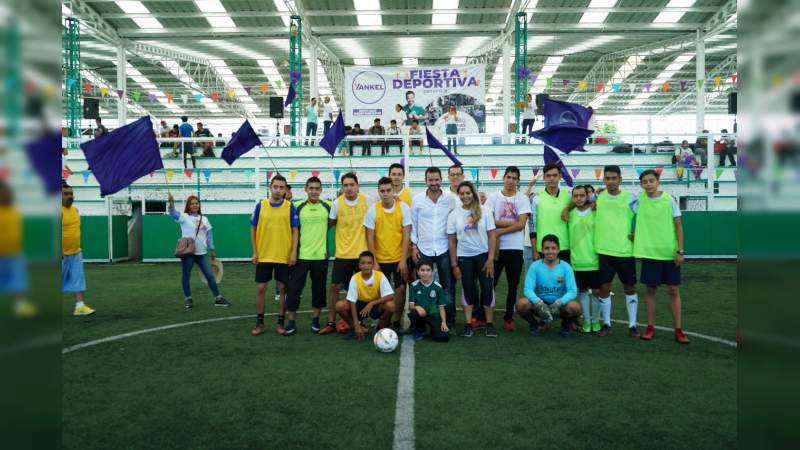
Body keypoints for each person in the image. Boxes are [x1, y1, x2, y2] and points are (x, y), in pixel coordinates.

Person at [634, 169, 689, 344]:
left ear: (658, 182)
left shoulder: (669, 200)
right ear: (641, 185)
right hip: (650, 254)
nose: (648, 184)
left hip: (669, 253)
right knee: (650, 290)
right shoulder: (638, 200)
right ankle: (650, 327)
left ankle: (678, 330)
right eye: (645, 182)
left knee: (673, 290)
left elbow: (679, 226)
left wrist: (680, 251)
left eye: (651, 180)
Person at [318, 172, 371, 335]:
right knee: (335, 287)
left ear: (357, 186)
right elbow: (329, 225)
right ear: (342, 188)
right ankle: (331, 322)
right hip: (343, 254)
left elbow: (385, 201)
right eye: (345, 185)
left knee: (369, 288)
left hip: (362, 254)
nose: (349, 188)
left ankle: (371, 320)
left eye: (351, 185)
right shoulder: (337, 203)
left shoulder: (367, 200)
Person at [590, 165, 640, 337]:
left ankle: (633, 325)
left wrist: (636, 232)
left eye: (614, 178)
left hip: (625, 251)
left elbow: (644, 215)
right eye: (607, 178)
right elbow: (577, 200)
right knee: (604, 287)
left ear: (620, 179)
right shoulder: (598, 196)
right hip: (603, 250)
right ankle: (606, 324)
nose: (610, 181)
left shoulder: (631, 197)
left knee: (629, 287)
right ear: (604, 180)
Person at [250, 175, 299, 336]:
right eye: (275, 187)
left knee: (283, 288)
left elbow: (295, 230)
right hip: (264, 255)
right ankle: (260, 322)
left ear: (285, 190)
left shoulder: (290, 207)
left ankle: (280, 322)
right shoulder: (261, 206)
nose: (278, 190)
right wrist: (255, 252)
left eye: (281, 187)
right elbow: (253, 228)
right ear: (270, 188)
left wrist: (293, 253)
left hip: (283, 256)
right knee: (261, 288)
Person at [447, 181, 498, 338]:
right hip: (464, 257)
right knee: (467, 288)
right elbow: (452, 240)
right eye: (462, 194)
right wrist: (454, 264)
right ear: (459, 195)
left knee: (487, 288)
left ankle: (489, 324)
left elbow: (492, 236)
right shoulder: (454, 214)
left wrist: (490, 259)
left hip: (483, 256)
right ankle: (468, 324)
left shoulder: (485, 211)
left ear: (473, 193)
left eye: (468, 193)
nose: (465, 196)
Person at [484, 166, 531, 331]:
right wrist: (514, 223)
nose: (510, 181)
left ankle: (509, 317)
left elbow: (522, 224)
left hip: (515, 248)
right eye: (508, 177)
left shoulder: (522, 199)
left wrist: (500, 232)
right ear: (503, 178)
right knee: (491, 282)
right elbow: (490, 221)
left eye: (514, 178)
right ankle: (485, 315)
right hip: (496, 248)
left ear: (518, 181)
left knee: (513, 284)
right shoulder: (493, 197)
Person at [411, 167, 457, 330]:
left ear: (441, 179)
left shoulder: (450, 199)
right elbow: (413, 224)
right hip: (424, 250)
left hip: (444, 248)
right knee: (421, 288)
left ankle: (450, 322)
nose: (434, 183)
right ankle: (420, 323)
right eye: (430, 180)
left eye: (436, 179)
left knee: (447, 288)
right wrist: (414, 245)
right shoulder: (417, 200)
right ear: (426, 181)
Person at [284, 177, 331, 335]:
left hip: (320, 257)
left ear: (321, 190)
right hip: (301, 257)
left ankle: (316, 320)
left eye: (317, 188)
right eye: (311, 188)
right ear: (306, 189)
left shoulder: (327, 206)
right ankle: (291, 322)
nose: (314, 191)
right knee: (294, 290)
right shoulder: (297, 206)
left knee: (319, 290)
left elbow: (334, 220)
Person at [364, 177, 411, 332]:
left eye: (388, 190)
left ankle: (396, 320)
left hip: (399, 258)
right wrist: (374, 262)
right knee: (379, 291)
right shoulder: (373, 210)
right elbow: (369, 237)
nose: (385, 194)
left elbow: (406, 236)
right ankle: (381, 319)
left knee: (401, 290)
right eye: (382, 191)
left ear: (393, 190)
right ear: (379, 192)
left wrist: (403, 260)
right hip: (380, 259)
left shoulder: (403, 208)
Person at [168, 193, 229, 309]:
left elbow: (209, 235)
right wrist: (171, 203)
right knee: (186, 275)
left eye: (196, 203)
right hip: (188, 253)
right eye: (192, 204)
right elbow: (173, 214)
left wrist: (212, 249)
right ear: (188, 206)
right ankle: (188, 299)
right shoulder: (184, 216)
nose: (194, 205)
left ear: (199, 205)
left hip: (202, 254)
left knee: (210, 276)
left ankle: (218, 298)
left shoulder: (204, 219)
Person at [516, 235, 580, 337]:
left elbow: (572, 291)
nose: (550, 251)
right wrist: (539, 303)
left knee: (575, 307)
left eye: (553, 248)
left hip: (559, 305)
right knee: (521, 304)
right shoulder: (535, 266)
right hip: (540, 305)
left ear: (558, 250)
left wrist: (559, 302)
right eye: (547, 248)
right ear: (542, 250)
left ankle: (566, 324)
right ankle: (534, 324)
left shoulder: (566, 267)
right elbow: (528, 289)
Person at [334, 251, 396, 341]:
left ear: (373, 264)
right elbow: (352, 301)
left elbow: (390, 295)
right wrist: (355, 324)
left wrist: (371, 303)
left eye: (369, 263)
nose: (366, 265)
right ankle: (354, 328)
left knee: (391, 305)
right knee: (339, 305)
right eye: (363, 263)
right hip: (360, 305)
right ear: (359, 265)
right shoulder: (355, 278)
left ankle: (381, 329)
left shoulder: (379, 275)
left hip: (375, 305)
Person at [566, 186, 601, 333]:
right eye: (576, 196)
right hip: (577, 261)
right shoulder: (569, 214)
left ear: (588, 196)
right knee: (583, 291)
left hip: (594, 260)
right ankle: (587, 321)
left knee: (597, 292)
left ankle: (596, 321)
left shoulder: (595, 212)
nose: (579, 198)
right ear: (572, 198)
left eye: (582, 195)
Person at [0, 181, 35, 317]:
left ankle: (20, 304)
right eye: (3, 192)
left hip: (15, 254)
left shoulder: (15, 211)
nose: (7, 194)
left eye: (8, 192)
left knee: (19, 279)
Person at [62, 183, 95, 316]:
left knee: (78, 279)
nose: (70, 196)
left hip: (76, 252)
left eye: (71, 194)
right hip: (61, 255)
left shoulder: (75, 210)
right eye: (65, 194)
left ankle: (80, 306)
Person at [530, 163, 571, 262]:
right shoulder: (536, 198)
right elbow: (532, 227)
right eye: (548, 176)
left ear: (560, 176)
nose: (551, 178)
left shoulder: (569, 197)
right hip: (543, 249)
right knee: (544, 278)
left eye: (555, 175)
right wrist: (534, 250)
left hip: (564, 247)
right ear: (544, 177)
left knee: (562, 278)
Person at [408, 260, 450, 342]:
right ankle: (419, 330)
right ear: (418, 272)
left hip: (433, 315)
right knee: (413, 313)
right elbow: (411, 305)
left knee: (443, 337)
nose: (425, 273)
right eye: (422, 270)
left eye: (428, 270)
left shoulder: (438, 287)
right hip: (421, 315)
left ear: (432, 271)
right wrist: (417, 307)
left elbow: (441, 307)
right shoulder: (413, 286)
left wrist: (444, 322)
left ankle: (433, 329)